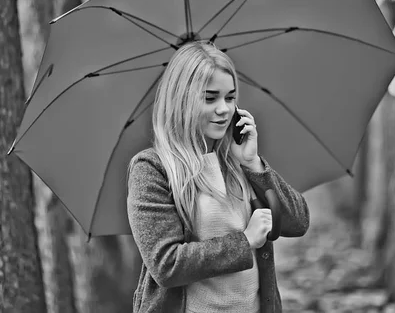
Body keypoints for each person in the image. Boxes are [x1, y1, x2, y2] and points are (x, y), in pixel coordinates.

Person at [127, 40, 310, 313]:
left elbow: (298, 221)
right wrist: (244, 241)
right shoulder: (153, 169)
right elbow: (166, 264)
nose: (224, 109)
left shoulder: (236, 161)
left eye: (230, 97)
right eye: (210, 98)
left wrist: (253, 164)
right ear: (182, 100)